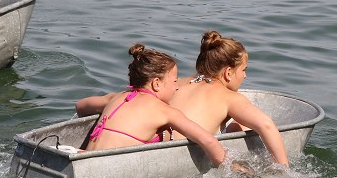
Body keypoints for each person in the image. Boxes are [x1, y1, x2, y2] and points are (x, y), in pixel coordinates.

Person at [75, 44, 228, 168]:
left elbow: (80, 106)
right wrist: (228, 168)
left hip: (82, 160)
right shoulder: (164, 111)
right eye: (174, 81)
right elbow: (208, 141)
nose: (176, 87)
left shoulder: (117, 97)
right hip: (106, 171)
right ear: (156, 83)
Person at [168, 31, 290, 168]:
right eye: (243, 70)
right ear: (228, 72)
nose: (245, 76)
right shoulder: (229, 97)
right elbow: (266, 125)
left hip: (160, 146)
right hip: (185, 158)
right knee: (242, 125)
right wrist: (284, 168)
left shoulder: (177, 83)